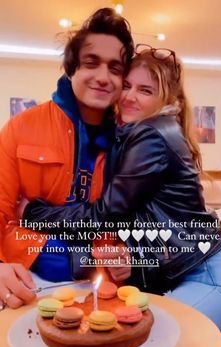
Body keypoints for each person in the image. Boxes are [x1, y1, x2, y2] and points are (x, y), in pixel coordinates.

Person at [23, 45, 221, 347]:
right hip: (189, 271)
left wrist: (32, 213)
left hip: (211, 276)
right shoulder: (134, 135)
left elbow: (103, 215)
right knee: (176, 343)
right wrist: (135, 261)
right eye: (126, 86)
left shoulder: (153, 135)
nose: (129, 96)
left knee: (161, 342)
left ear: (167, 101)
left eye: (145, 90)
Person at [0, 7, 134, 310]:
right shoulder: (22, 127)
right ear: (72, 68)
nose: (103, 77)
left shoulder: (128, 140)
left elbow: (128, 218)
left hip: (103, 286)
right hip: (27, 279)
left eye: (115, 69)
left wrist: (126, 252)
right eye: (91, 63)